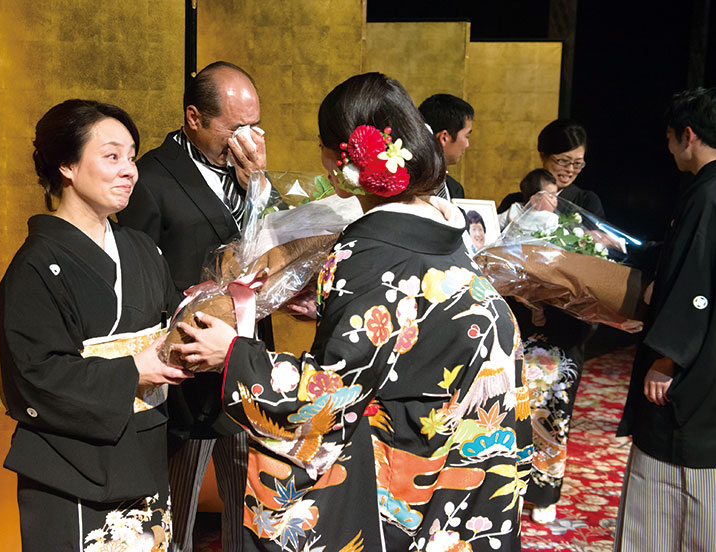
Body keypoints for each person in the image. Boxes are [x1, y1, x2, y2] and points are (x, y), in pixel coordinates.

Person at [171, 72, 531, 551]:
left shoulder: (369, 251)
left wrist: (233, 356)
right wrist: (333, 309)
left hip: (412, 451)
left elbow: (330, 395)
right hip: (469, 434)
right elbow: (409, 322)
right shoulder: (443, 224)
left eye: (322, 146)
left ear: (342, 159)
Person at [0, 99, 193, 551]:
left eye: (131, 157)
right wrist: (133, 370)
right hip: (71, 461)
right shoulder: (35, 265)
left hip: (145, 445)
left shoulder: (142, 249)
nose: (129, 171)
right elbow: (35, 375)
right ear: (66, 165)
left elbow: (171, 327)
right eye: (112, 156)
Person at [117, 61, 267, 552]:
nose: (247, 139)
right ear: (194, 117)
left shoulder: (253, 176)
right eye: (235, 127)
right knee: (173, 513)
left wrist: (260, 188)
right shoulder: (151, 178)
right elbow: (137, 276)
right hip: (184, 370)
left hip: (245, 368)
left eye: (255, 126)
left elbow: (272, 251)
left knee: (251, 510)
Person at [614, 88, 716, 551]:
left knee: (675, 466)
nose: (670, 148)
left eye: (671, 138)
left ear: (687, 135)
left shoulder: (708, 194)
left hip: (694, 366)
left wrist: (667, 357)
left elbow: (696, 281)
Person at [497, 119, 604, 524]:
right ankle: (507, 485)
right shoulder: (518, 199)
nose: (570, 170)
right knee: (513, 406)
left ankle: (544, 490)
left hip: (564, 323)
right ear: (543, 155)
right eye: (563, 161)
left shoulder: (587, 202)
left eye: (578, 163)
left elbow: (597, 260)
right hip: (522, 320)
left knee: (555, 409)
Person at [418, 93, 474, 199]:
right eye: (466, 136)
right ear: (444, 137)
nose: (467, 145)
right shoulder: (406, 186)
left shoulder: (455, 189)